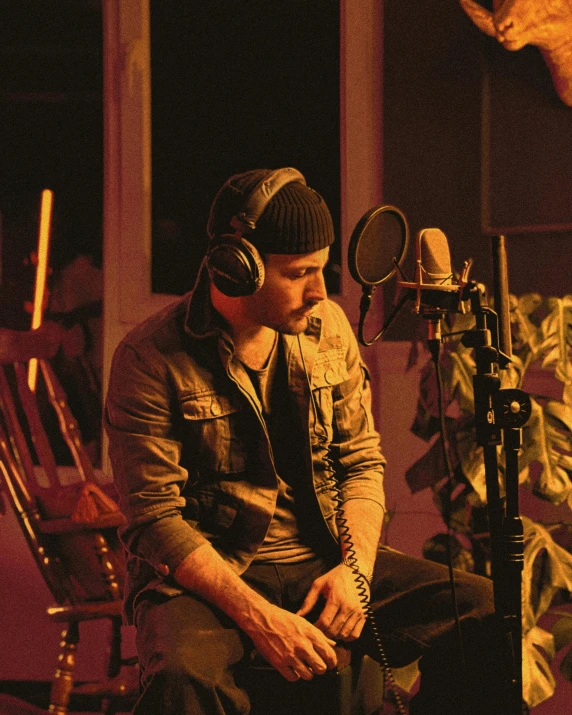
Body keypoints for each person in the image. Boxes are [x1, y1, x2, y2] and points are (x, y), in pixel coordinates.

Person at [105, 167, 513, 715]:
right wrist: (258, 617)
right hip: (209, 579)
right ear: (238, 268)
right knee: (182, 677)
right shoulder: (147, 357)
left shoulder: (328, 328)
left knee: (482, 611)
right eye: (300, 273)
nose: (319, 291)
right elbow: (154, 520)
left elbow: (361, 463)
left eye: (322, 270)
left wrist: (356, 571)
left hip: (320, 559)